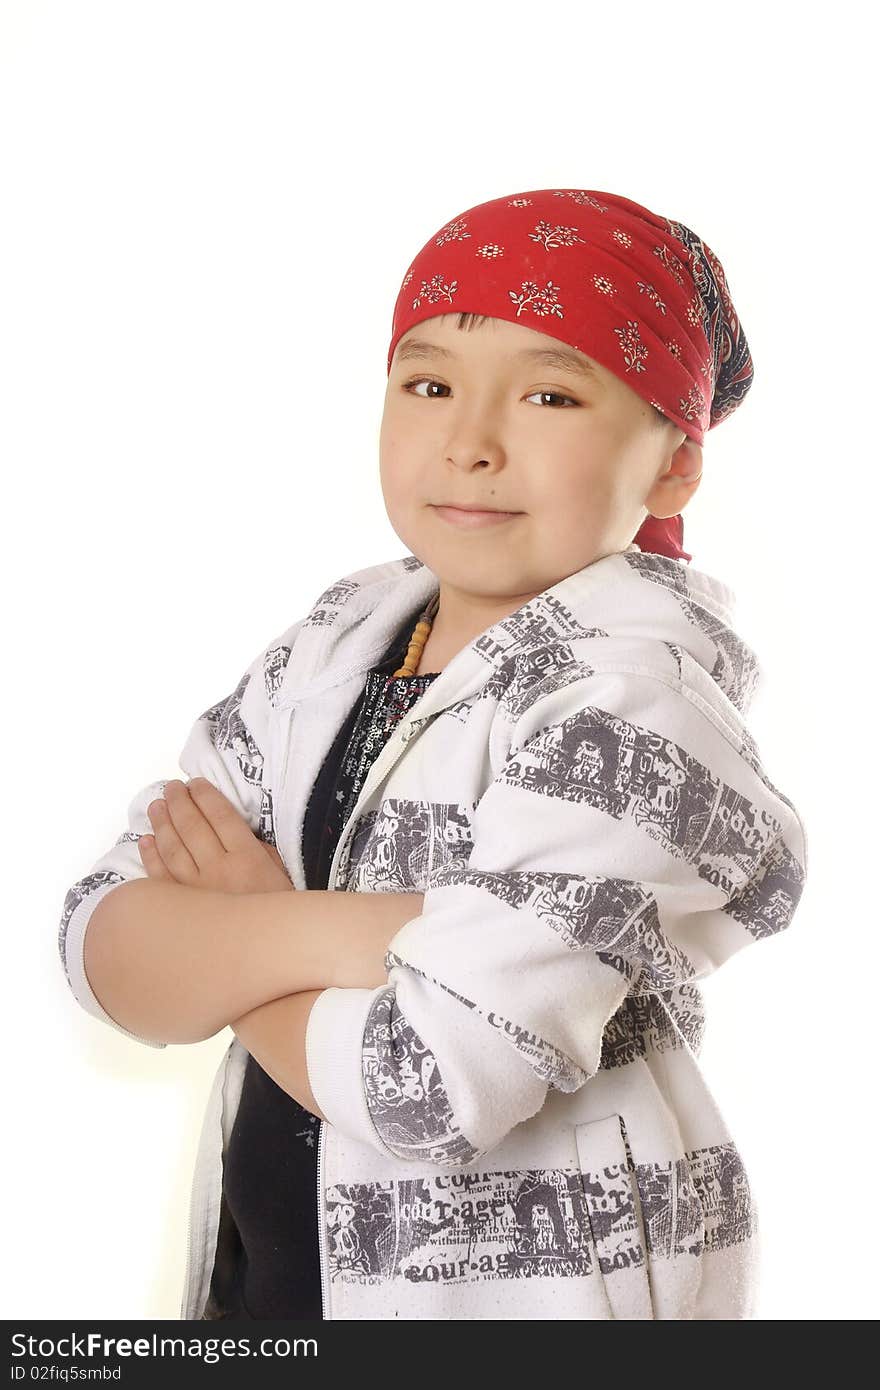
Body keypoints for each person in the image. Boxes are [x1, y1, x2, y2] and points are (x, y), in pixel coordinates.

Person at [59, 187, 808, 1321]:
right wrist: (369, 933)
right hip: (268, 1285)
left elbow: (431, 1084)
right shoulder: (332, 644)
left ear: (672, 465)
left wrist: (237, 932)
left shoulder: (632, 707)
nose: (469, 441)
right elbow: (103, 948)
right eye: (428, 384)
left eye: (551, 392)